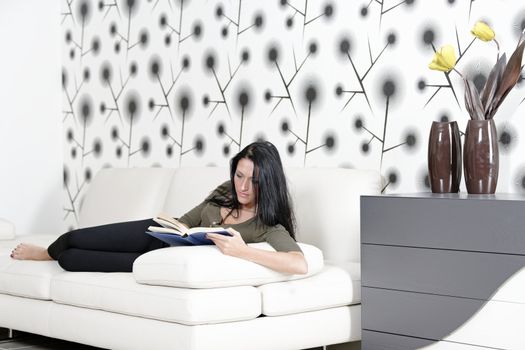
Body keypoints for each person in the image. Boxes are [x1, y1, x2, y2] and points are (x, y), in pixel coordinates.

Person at [11, 141, 308, 275]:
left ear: (267, 183)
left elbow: (299, 263)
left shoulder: (269, 226)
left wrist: (242, 251)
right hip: (160, 234)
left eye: (253, 181)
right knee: (70, 240)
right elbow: (188, 219)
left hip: (164, 261)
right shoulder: (225, 193)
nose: (242, 187)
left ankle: (53, 258)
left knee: (71, 260)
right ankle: (44, 253)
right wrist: (179, 229)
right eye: (238, 175)